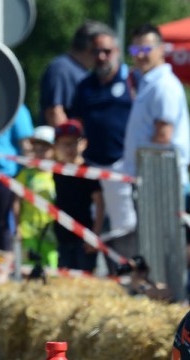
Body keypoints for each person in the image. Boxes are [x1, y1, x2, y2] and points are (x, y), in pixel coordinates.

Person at [70, 23, 136, 258]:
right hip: (91, 167)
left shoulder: (132, 81)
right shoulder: (84, 86)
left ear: (117, 52)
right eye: (96, 51)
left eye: (106, 51)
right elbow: (76, 121)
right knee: (91, 225)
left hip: (121, 166)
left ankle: (128, 274)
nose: (101, 56)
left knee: (125, 227)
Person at [123, 23, 190, 189]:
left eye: (146, 50)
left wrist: (145, 175)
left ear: (161, 49)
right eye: (135, 50)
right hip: (152, 178)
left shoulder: (164, 86)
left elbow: (163, 137)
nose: (140, 55)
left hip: (160, 181)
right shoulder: (149, 84)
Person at [51, 120, 104, 272]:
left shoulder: (88, 171)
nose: (69, 148)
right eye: (64, 144)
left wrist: (95, 234)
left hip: (84, 236)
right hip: (60, 236)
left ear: (83, 144)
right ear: (56, 146)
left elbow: (99, 203)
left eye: (73, 143)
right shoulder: (55, 170)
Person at [0, 103, 35, 255]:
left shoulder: (18, 109)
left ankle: (4, 267)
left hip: (6, 175)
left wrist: (28, 174)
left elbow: (26, 143)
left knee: (1, 225)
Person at [18, 125, 60, 273]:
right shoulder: (26, 175)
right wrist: (17, 226)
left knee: (51, 269)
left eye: (45, 147)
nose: (40, 151)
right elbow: (16, 201)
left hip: (51, 231)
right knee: (28, 270)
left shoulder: (59, 174)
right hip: (28, 230)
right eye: (37, 147)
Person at [39, 22, 97, 128]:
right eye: (100, 50)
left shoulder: (82, 69)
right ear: (90, 48)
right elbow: (54, 113)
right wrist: (71, 141)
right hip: (67, 142)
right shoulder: (61, 68)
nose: (102, 56)